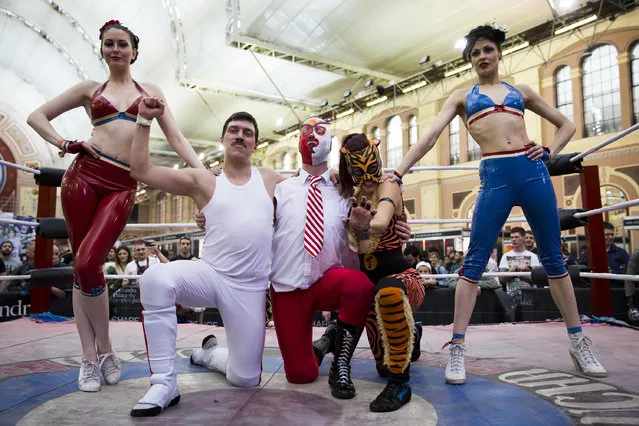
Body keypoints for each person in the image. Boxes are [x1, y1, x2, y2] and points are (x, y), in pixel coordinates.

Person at [393, 24, 606, 384]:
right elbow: (430, 137)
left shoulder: (519, 91)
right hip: (495, 175)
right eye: (475, 53)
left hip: (532, 171)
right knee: (474, 261)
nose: (482, 57)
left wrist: (550, 150)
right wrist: (399, 170)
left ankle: (578, 341)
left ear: (499, 53)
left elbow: (566, 124)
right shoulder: (462, 97)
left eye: (487, 50)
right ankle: (457, 347)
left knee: (553, 258)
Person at [27, 20, 204, 392]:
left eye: (122, 44)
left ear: (134, 51)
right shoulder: (88, 90)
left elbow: (175, 136)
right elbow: (36, 117)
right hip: (82, 177)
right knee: (81, 268)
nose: (115, 49)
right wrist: (64, 143)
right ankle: (90, 358)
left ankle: (105, 348)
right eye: (109, 44)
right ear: (103, 50)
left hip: (123, 184)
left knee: (89, 262)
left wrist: (204, 173)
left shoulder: (150, 91)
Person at [128, 105, 280, 417]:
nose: (240, 136)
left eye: (247, 133)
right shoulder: (203, 180)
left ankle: (209, 355)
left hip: (250, 290)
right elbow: (141, 171)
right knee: (155, 279)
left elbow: (316, 185)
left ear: (255, 144)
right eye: (234, 131)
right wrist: (143, 119)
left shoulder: (271, 179)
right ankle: (163, 383)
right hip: (210, 275)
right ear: (223, 139)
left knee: (245, 378)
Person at [338, 134, 425, 412]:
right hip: (371, 291)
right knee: (382, 366)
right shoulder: (353, 197)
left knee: (387, 293)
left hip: (404, 280)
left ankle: (400, 385)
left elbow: (383, 219)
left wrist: (366, 225)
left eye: (371, 167)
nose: (367, 177)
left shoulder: (389, 183)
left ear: (378, 158)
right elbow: (361, 248)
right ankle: (413, 336)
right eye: (358, 171)